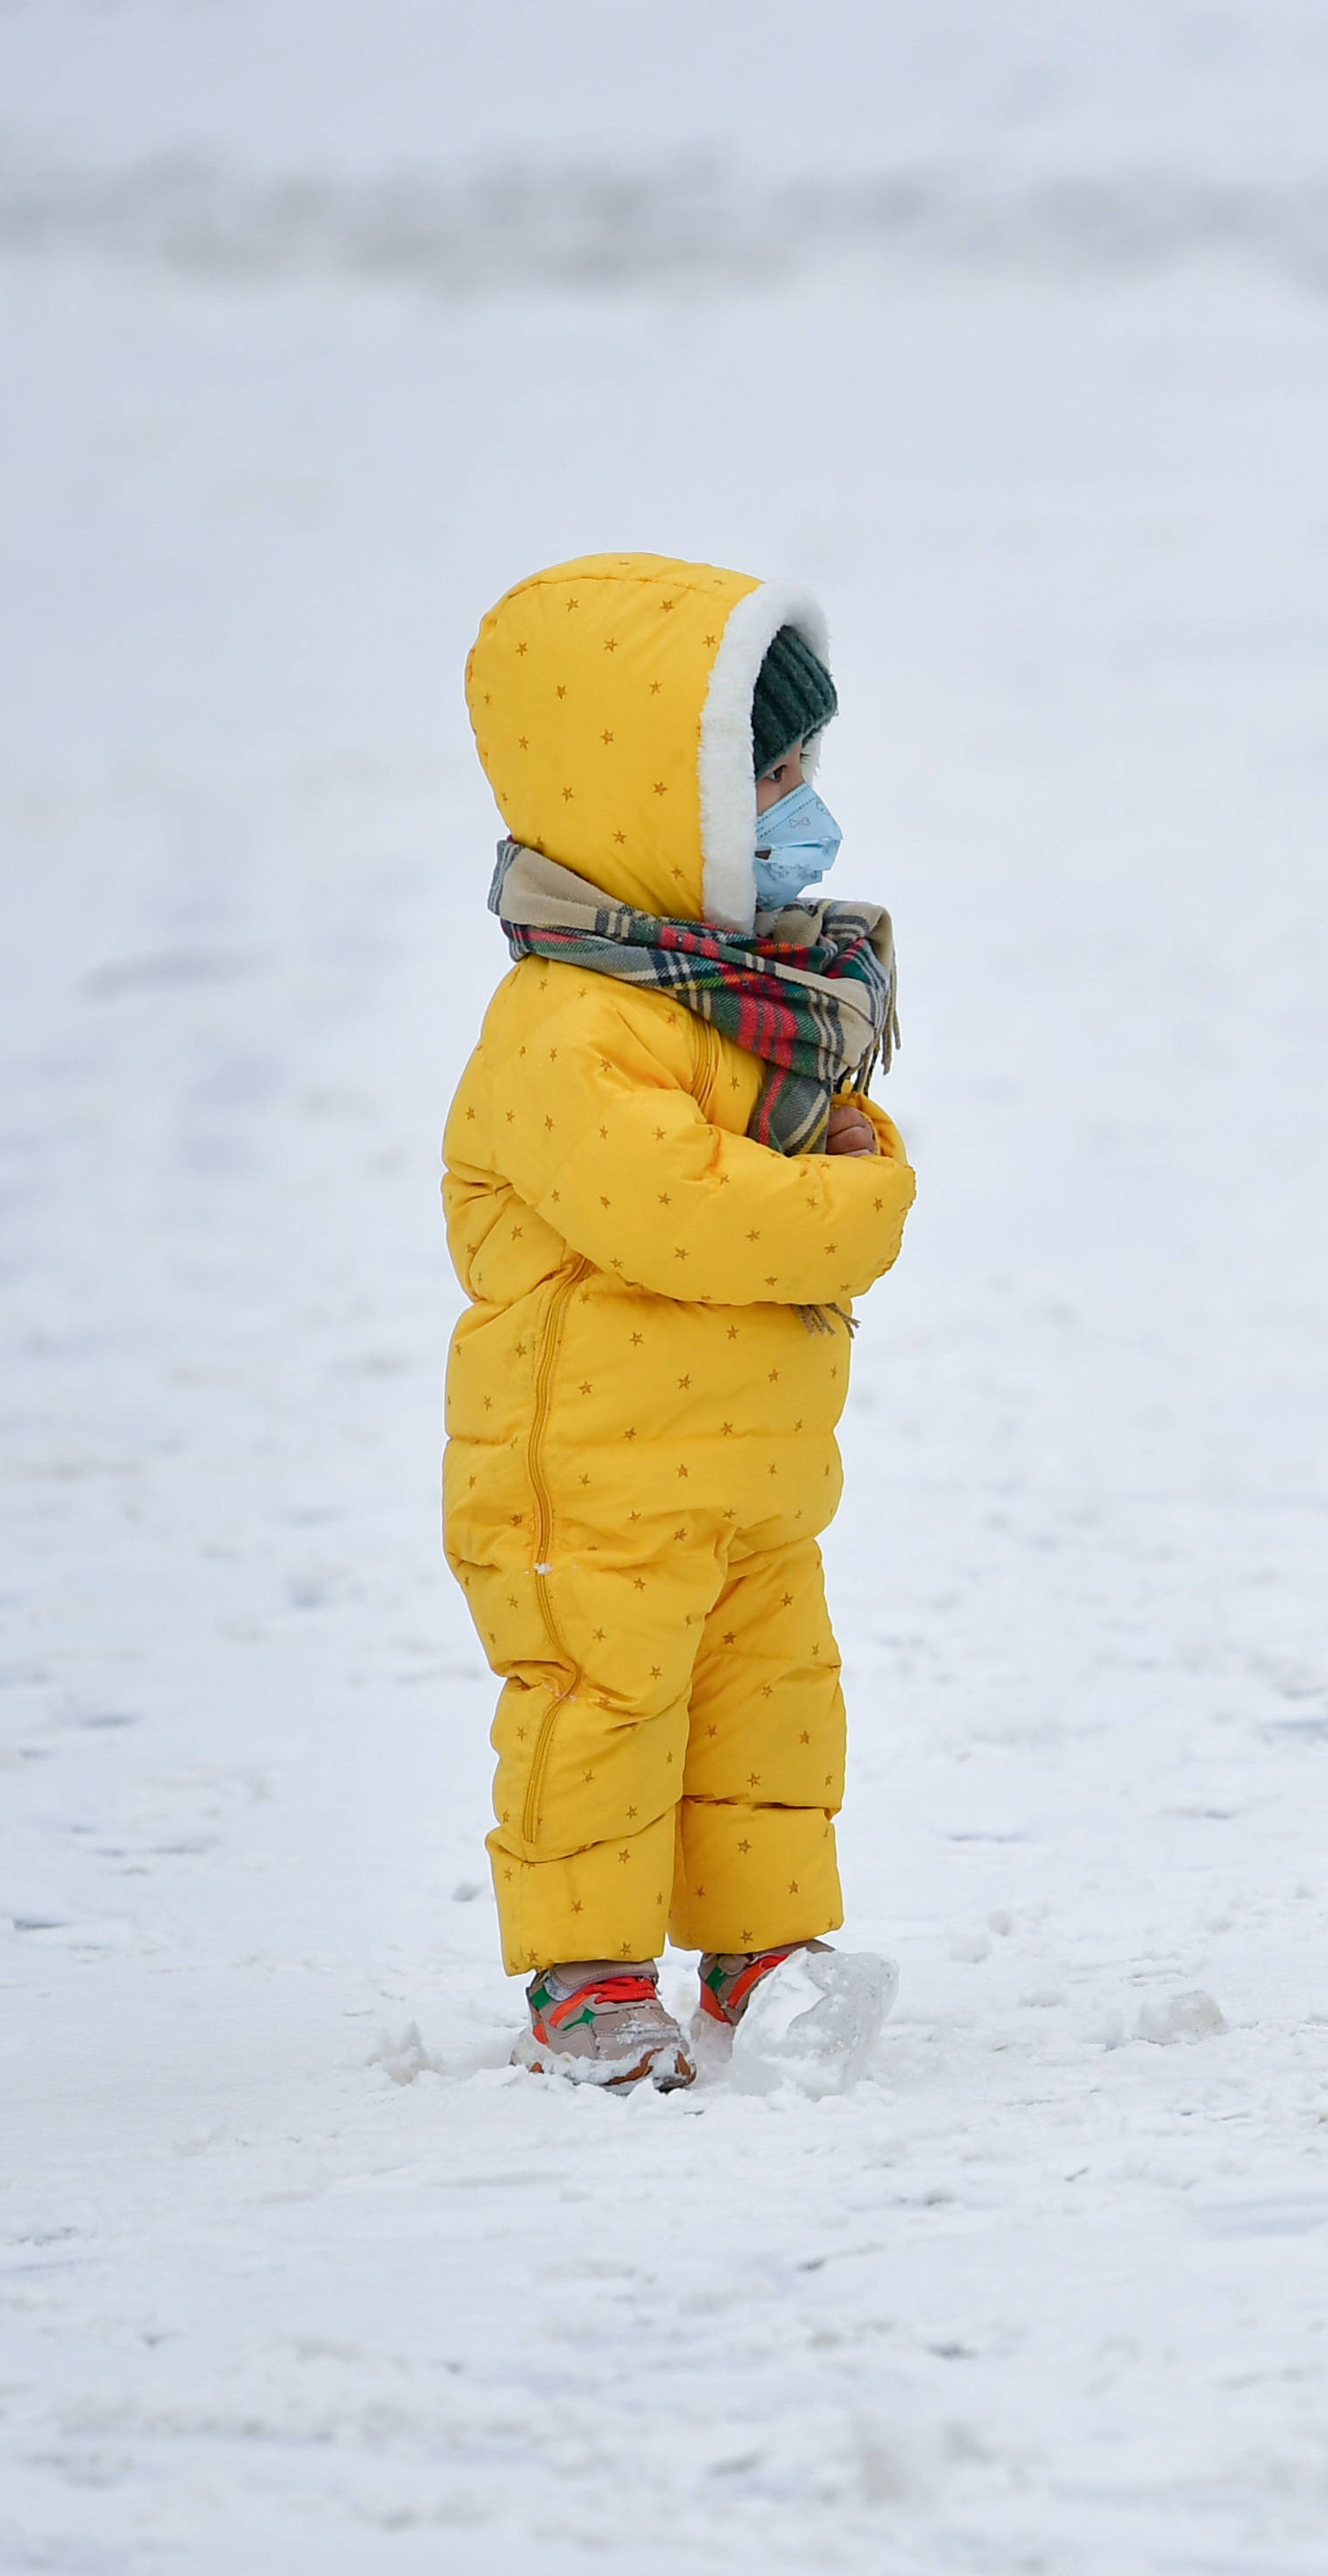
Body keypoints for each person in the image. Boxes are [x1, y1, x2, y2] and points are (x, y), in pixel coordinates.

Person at [438, 551, 916, 2090]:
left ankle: (762, 1947)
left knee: (771, 1717)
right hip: (596, 1490)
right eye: (768, 777)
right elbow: (696, 1213)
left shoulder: (745, 990)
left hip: (755, 1477)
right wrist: (866, 1196)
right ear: (657, 799)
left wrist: (844, 1165)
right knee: (606, 1721)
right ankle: (587, 1977)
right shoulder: (569, 1027)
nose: (804, 811)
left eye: (806, 771)